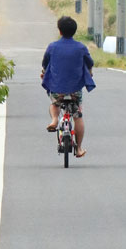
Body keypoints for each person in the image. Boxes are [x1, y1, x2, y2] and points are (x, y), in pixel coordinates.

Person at [41, 15, 95, 158]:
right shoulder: (81, 48)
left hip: (57, 88)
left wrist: (45, 72)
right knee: (77, 116)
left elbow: (45, 63)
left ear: (59, 31)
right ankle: (79, 148)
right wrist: (89, 72)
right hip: (75, 90)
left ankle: (54, 119)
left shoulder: (52, 47)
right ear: (74, 31)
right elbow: (90, 63)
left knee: (54, 103)